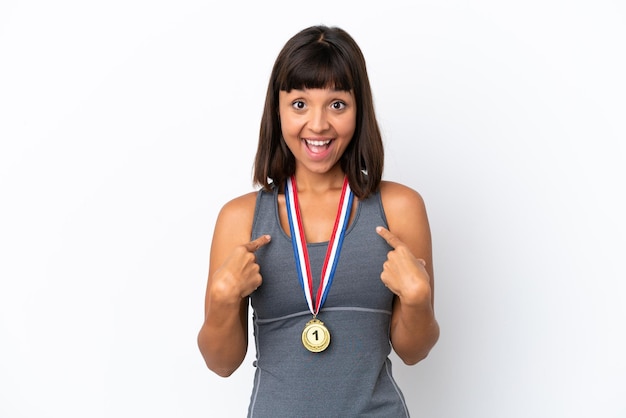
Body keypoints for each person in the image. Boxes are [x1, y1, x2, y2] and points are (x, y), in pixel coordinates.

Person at [197, 25, 439, 417]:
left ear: (359, 110)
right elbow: (221, 364)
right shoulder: (240, 218)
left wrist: (417, 300)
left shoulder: (400, 207)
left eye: (337, 104)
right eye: (300, 104)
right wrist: (223, 300)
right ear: (277, 110)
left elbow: (415, 351)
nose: (318, 125)